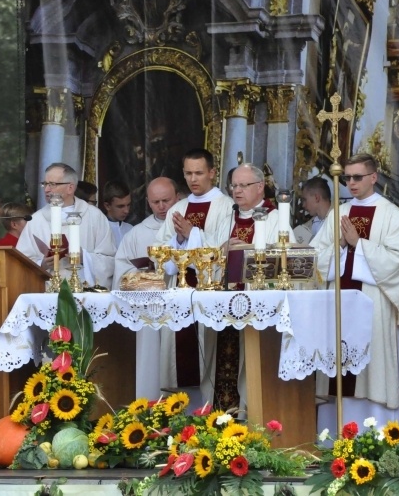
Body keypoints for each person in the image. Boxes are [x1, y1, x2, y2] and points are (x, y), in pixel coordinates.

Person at [311, 153, 399, 427]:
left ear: (374, 177)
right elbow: (317, 257)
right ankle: (333, 435)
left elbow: (398, 261)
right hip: (339, 304)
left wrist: (360, 244)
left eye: (357, 177)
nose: (351, 183)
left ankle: (377, 434)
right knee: (339, 370)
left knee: (372, 371)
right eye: (347, 178)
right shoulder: (339, 212)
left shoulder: (390, 214)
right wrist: (342, 247)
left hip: (373, 304)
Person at [155, 148, 235, 409]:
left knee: (207, 361)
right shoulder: (178, 208)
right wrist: (179, 239)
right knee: (179, 366)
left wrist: (192, 234)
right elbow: (161, 254)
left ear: (212, 172)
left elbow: (224, 252)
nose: (193, 179)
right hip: (179, 295)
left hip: (207, 293)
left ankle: (207, 412)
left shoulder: (226, 207)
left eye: (199, 172)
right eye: (188, 173)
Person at [223, 163, 295, 412]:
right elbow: (208, 258)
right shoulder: (226, 218)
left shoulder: (275, 219)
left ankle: (253, 413)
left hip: (258, 305)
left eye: (244, 185)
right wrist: (222, 252)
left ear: (261, 187)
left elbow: (288, 264)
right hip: (225, 303)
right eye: (234, 185)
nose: (237, 191)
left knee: (254, 364)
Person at [113, 177, 179, 399]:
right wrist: (148, 277)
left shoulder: (192, 228)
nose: (161, 207)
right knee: (150, 364)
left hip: (181, 310)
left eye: (166, 200)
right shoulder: (137, 234)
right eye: (155, 202)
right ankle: (149, 408)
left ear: (177, 197)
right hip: (149, 313)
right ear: (148, 202)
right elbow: (122, 275)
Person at [16, 163, 116, 288]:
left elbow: (110, 260)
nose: (46, 189)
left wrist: (84, 257)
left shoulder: (94, 216)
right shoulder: (36, 220)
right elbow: (20, 263)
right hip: (48, 292)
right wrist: (42, 264)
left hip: (85, 292)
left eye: (52, 184)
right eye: (45, 184)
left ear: (70, 188)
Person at [294, 177, 332, 245]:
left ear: (317, 198)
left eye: (305, 200)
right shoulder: (308, 225)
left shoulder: (338, 220)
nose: (303, 205)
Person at [102, 180, 133, 246]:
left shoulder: (131, 230)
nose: (126, 211)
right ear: (107, 206)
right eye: (121, 206)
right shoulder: (99, 229)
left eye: (128, 205)